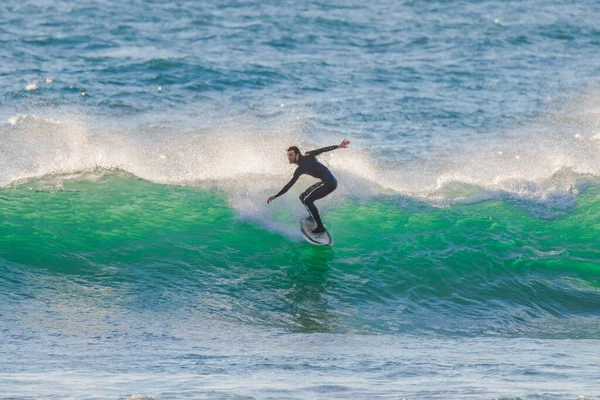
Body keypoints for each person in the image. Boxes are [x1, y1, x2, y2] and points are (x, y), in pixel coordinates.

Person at [267, 139, 350, 234]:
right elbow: (289, 185)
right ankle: (312, 217)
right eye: (288, 155)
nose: (288, 158)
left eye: (291, 155)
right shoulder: (302, 164)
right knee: (302, 197)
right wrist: (276, 196)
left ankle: (320, 227)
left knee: (308, 200)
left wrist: (338, 146)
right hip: (325, 182)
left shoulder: (303, 164)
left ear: (297, 155)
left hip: (329, 183)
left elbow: (321, 150)